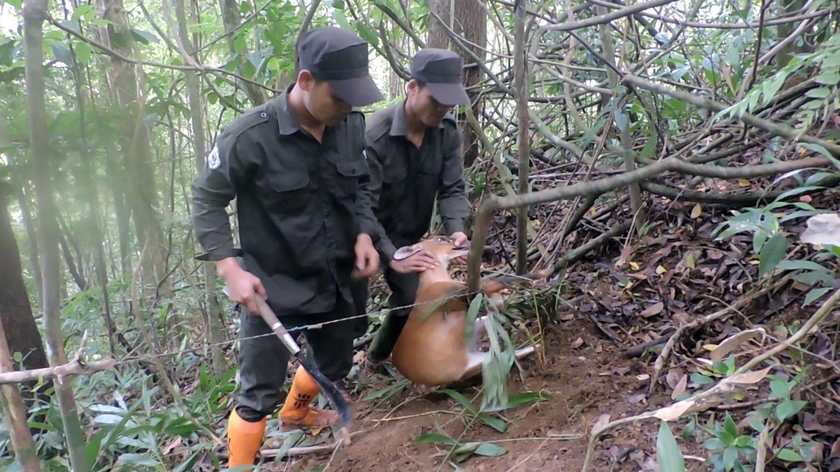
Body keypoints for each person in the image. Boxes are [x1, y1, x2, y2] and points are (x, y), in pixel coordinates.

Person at [190, 26, 384, 468]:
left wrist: (364, 233)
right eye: (340, 97)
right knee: (257, 391)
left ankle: (296, 412)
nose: (348, 108)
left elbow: (364, 189)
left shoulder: (351, 126)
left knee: (334, 360)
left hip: (339, 278)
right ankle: (241, 464)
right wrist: (229, 269)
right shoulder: (248, 138)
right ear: (305, 81)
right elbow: (206, 200)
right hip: (273, 283)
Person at [351, 48, 471, 373]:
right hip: (360, 234)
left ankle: (375, 360)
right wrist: (391, 255)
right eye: (436, 99)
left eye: (449, 101)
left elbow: (452, 188)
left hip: (408, 235)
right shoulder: (374, 137)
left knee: (411, 300)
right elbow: (362, 206)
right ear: (412, 87)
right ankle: (331, 378)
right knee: (348, 317)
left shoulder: (446, 134)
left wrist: (457, 228)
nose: (443, 108)